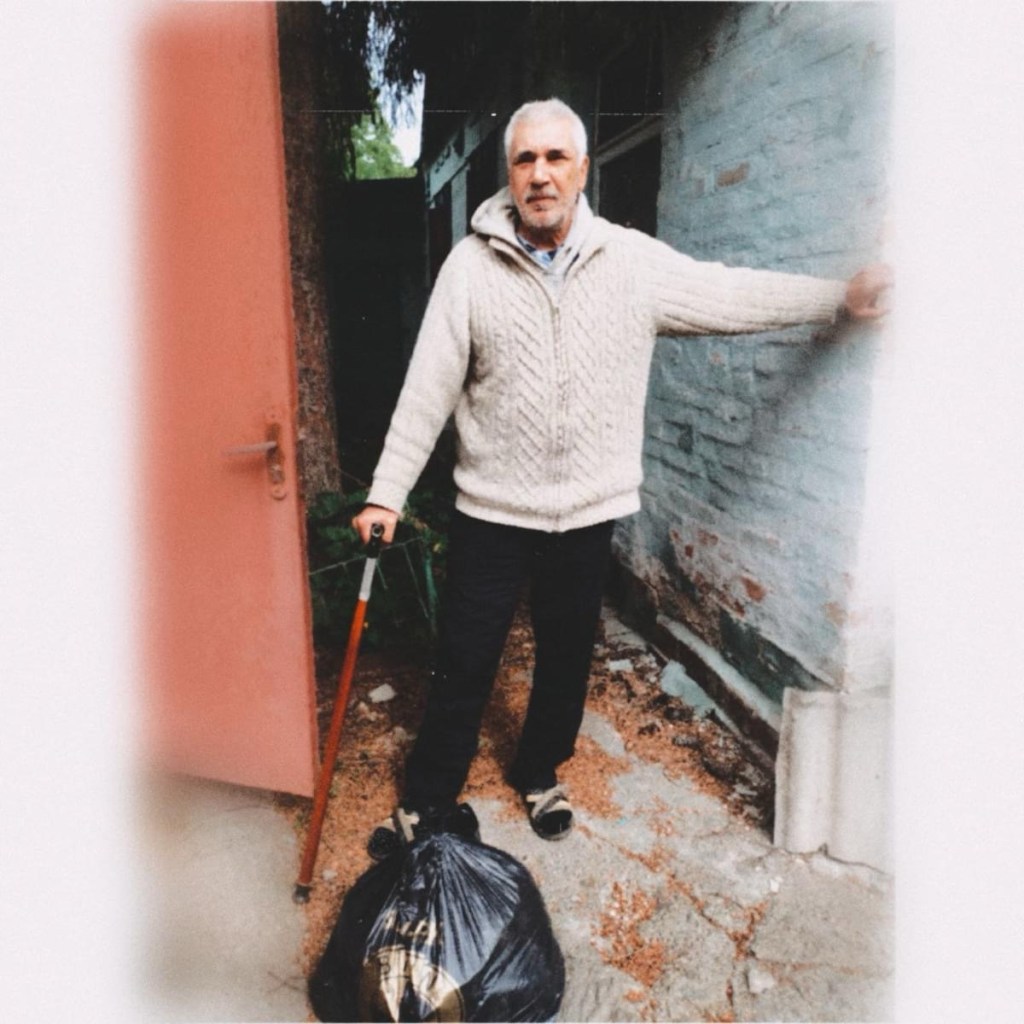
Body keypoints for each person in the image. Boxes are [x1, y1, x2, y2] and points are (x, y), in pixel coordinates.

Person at [353, 98, 891, 846]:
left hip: (586, 511)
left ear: (581, 169)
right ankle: (428, 798)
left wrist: (837, 298)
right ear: (509, 173)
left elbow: (729, 293)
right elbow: (426, 390)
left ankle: (539, 772)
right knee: (464, 658)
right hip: (491, 509)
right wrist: (386, 493)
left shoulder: (631, 262)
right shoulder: (469, 269)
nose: (540, 175)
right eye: (525, 159)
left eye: (556, 158)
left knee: (566, 657)